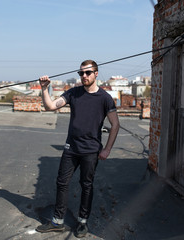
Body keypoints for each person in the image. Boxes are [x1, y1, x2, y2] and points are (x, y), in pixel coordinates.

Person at [36, 60, 120, 238]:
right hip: (71, 148)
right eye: (81, 73)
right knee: (62, 182)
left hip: (91, 150)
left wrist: (107, 149)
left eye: (87, 73)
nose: (84, 76)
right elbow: (50, 106)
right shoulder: (74, 92)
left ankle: (82, 221)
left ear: (96, 73)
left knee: (86, 185)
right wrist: (44, 88)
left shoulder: (105, 98)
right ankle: (57, 222)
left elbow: (115, 124)